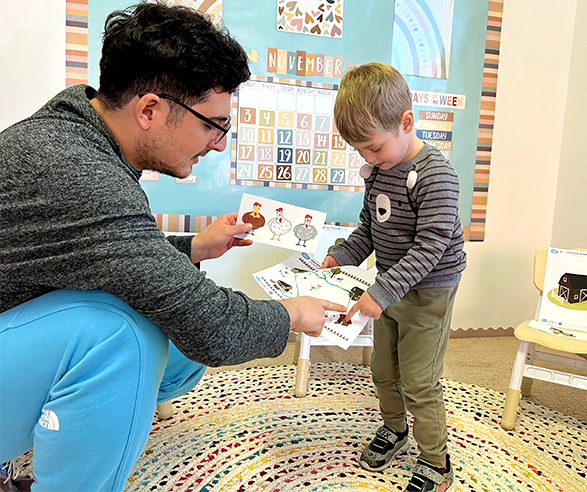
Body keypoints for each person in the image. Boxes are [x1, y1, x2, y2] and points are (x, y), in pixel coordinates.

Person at [0, 4, 344, 491]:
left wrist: (192, 248)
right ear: (149, 110)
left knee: (165, 312)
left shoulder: (75, 129)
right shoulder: (81, 173)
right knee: (122, 335)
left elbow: (104, 253)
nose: (219, 144)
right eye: (214, 124)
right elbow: (211, 327)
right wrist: (291, 314)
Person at [322, 62, 466, 492]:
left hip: (428, 292)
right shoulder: (380, 171)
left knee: (420, 380)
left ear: (406, 122)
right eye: (360, 151)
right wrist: (339, 257)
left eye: (374, 148)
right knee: (384, 370)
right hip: (389, 287)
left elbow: (431, 246)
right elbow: (368, 228)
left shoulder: (436, 175)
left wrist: (380, 293)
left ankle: (436, 462)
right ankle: (394, 429)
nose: (368, 159)